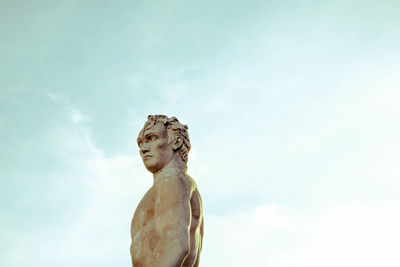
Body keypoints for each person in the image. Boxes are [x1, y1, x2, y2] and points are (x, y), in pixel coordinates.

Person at [130, 115, 204, 267]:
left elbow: (175, 244)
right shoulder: (181, 182)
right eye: (141, 143)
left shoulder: (171, 179)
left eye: (152, 138)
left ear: (176, 142)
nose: (143, 148)